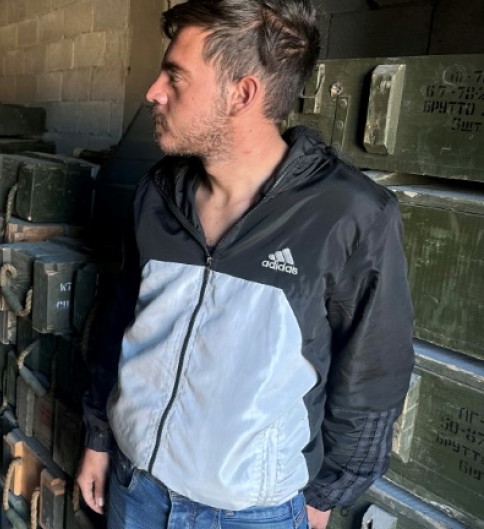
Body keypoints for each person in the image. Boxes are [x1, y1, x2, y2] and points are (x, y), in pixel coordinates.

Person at [75, 1, 415, 529]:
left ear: (242, 93)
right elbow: (119, 322)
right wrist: (99, 439)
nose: (153, 92)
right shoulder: (158, 195)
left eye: (175, 76)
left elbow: (372, 380)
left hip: (252, 516)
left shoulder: (351, 215)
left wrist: (324, 498)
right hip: (134, 487)